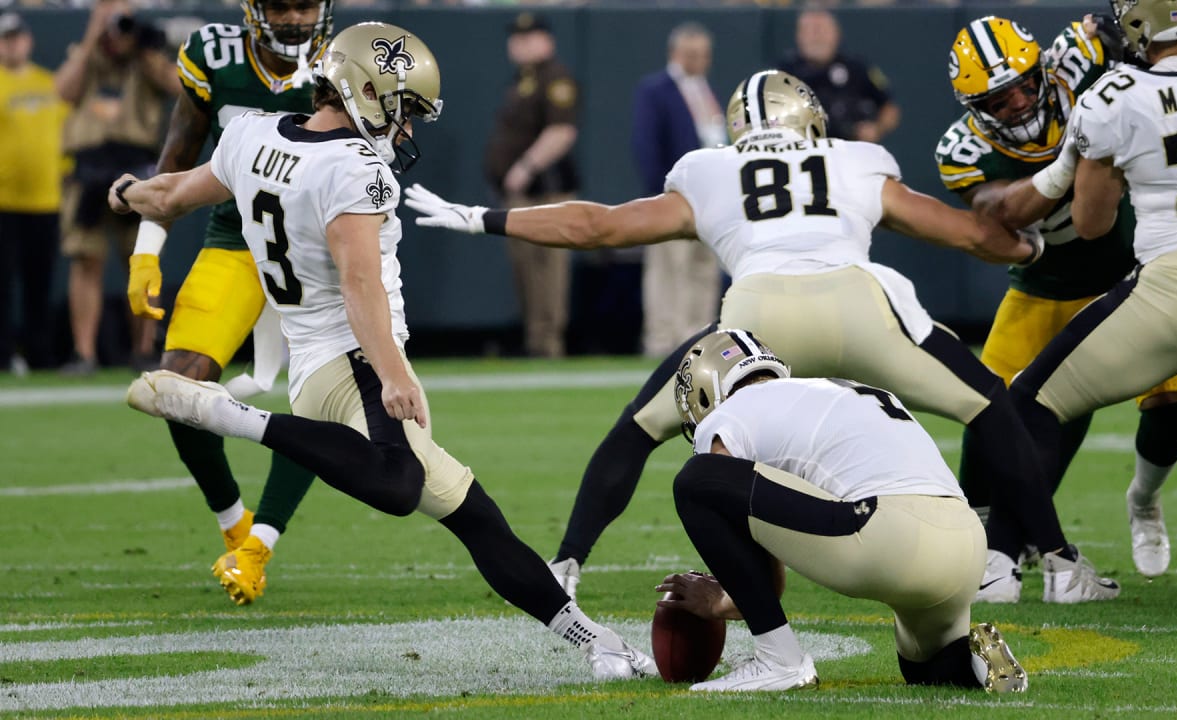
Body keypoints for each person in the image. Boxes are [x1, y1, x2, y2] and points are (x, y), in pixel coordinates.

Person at [408, 69, 1119, 605]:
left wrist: (484, 218)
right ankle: (1055, 561)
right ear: (811, 117)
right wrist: (1024, 252)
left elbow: (598, 226)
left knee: (639, 428)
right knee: (990, 405)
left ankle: (565, 565)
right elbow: (968, 234)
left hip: (756, 319)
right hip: (860, 306)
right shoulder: (854, 158)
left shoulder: (712, 170)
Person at [110, 22, 656, 680]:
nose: (406, 129)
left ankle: (596, 643)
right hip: (354, 362)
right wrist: (396, 375)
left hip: (316, 368)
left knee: (472, 512)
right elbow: (360, 283)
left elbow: (168, 193)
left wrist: (124, 195)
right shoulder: (354, 167)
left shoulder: (249, 135)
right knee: (400, 486)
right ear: (364, 91)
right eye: (402, 110)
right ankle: (229, 415)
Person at [1007, 0, 1177, 580]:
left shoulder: (1112, 98)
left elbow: (1091, 225)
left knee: (1029, 403)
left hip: (1169, 298)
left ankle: (1029, 556)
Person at [935, 15, 1177, 590]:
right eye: (1000, 101)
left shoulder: (1080, 56)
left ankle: (1144, 501)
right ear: (973, 107)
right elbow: (1003, 208)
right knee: (987, 408)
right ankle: (981, 540)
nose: (1022, 103)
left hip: (1132, 275)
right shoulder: (961, 148)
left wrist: (1122, 34)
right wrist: (1071, 160)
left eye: (1027, 84)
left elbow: (1138, 33)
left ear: (1044, 67)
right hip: (1043, 288)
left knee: (1168, 404)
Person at [653, 328, 1026, 693]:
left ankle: (779, 661)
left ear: (706, 392)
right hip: (968, 547)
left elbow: (721, 497)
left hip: (892, 536)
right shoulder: (831, 391)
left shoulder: (732, 412)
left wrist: (722, 598)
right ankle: (972, 662)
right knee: (930, 671)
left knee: (696, 481)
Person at [125, 0, 333, 606]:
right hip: (236, 240)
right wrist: (148, 248)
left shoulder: (346, 60)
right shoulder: (213, 56)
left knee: (318, 397)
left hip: (320, 248)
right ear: (252, 9)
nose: (295, 18)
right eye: (281, 5)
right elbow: (179, 150)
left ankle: (258, 547)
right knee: (177, 389)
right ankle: (233, 524)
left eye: (305, 5)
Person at [55, 0, 178, 375]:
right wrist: (94, 36)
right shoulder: (87, 55)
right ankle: (84, 353)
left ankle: (143, 349)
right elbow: (65, 90)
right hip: (90, 166)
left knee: (140, 258)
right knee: (86, 260)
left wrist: (143, 47)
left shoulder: (148, 54)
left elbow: (176, 85)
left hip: (136, 166)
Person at [483, 12, 579, 358]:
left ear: (546, 40)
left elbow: (562, 131)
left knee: (547, 270)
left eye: (528, 37)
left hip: (546, 191)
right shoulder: (522, 79)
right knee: (525, 270)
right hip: (520, 194)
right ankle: (535, 339)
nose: (519, 44)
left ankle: (548, 341)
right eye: (516, 38)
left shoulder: (556, 78)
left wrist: (526, 166)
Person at [632, 22, 724, 357]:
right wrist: (663, 194)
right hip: (674, 198)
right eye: (691, 54)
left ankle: (697, 337)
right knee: (668, 270)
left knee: (703, 269)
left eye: (703, 54)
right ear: (675, 53)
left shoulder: (705, 90)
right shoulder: (656, 90)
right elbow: (646, 146)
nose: (698, 60)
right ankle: (662, 340)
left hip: (710, 199)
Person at [0, 12, 65, 375]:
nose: (12, 44)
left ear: (28, 41)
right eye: (5, 38)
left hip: (45, 200)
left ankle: (40, 354)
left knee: (39, 282)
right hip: (4, 201)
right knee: (3, 285)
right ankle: (5, 355)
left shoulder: (48, 83)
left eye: (16, 37)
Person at [778, 7, 899, 143]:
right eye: (810, 30)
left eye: (821, 30)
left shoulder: (856, 68)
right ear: (798, 35)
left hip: (849, 150)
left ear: (836, 33)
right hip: (804, 152)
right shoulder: (784, 72)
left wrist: (875, 129)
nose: (816, 37)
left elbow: (889, 108)